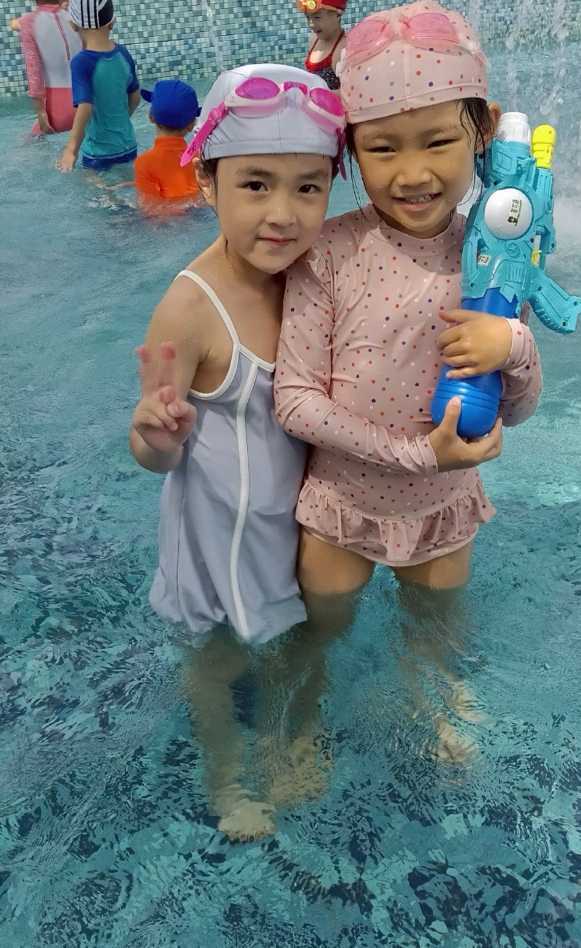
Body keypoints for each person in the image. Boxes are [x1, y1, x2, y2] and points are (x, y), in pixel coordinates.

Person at [274, 0, 543, 762]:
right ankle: (302, 727)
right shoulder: (328, 253)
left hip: (443, 508)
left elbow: (519, 409)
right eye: (383, 148)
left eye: (437, 142)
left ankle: (440, 707)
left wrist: (514, 344)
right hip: (343, 505)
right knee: (318, 635)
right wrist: (415, 454)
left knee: (435, 632)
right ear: (350, 149)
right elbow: (294, 400)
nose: (413, 172)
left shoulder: (495, 255)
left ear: (484, 131)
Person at [130, 63, 344, 840]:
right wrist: (155, 437)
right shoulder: (190, 308)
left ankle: (290, 739)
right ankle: (224, 774)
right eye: (255, 185)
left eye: (307, 188)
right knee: (215, 663)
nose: (281, 214)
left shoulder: (310, 278)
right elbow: (150, 445)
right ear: (207, 184)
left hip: (293, 519)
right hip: (217, 534)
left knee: (301, 635)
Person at [59, 0, 140, 172]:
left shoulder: (81, 62)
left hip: (98, 152)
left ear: (73, 25)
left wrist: (71, 150)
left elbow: (85, 107)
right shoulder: (123, 54)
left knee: (93, 185)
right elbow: (136, 97)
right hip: (128, 144)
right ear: (112, 22)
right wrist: (118, 123)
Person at [14, 0, 81, 135]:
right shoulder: (76, 18)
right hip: (85, 103)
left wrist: (41, 112)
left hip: (57, 110)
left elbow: (33, 70)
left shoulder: (28, 23)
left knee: (30, 141)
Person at [134, 80, 201, 201]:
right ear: (192, 124)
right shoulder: (200, 156)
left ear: (151, 116)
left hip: (168, 212)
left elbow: (149, 207)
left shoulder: (144, 163)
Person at [297, 0, 348, 90]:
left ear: (337, 14)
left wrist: (314, 93)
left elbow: (348, 92)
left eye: (317, 17)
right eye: (307, 17)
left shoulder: (343, 48)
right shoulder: (313, 40)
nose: (311, 24)